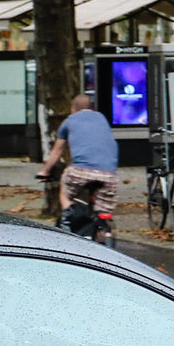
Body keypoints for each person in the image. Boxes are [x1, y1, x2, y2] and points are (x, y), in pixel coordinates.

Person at [43, 91, 119, 238]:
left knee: (64, 190)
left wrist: (45, 171)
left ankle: (69, 214)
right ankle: (107, 234)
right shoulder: (101, 118)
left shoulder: (70, 120)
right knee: (104, 214)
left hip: (80, 171)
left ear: (73, 109)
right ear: (91, 108)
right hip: (109, 174)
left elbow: (57, 150)